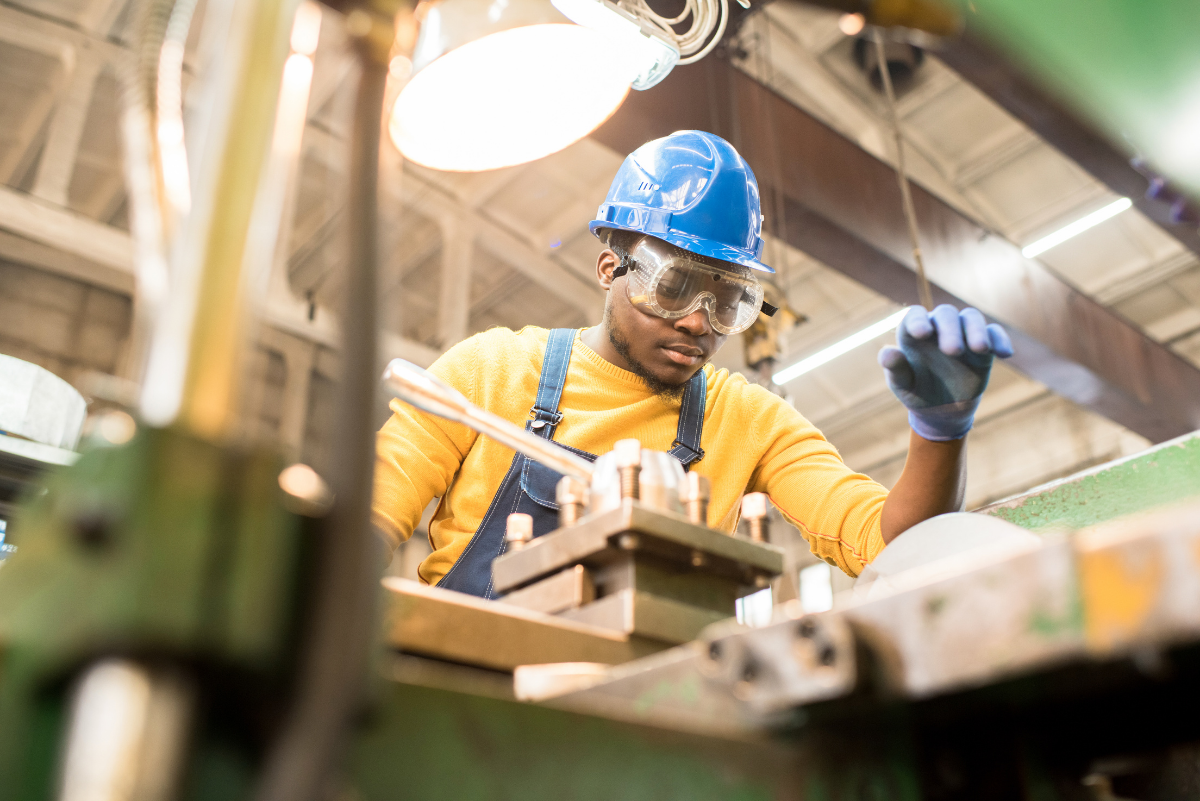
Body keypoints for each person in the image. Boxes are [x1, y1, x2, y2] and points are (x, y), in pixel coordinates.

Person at [372, 130, 1013, 598]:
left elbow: (889, 545)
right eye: (674, 286)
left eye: (729, 301)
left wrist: (938, 436)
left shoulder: (749, 420)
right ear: (609, 268)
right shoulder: (487, 374)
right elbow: (367, 523)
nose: (699, 323)